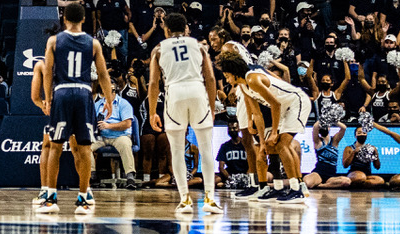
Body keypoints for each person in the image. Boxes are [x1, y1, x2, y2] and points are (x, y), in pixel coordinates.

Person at [36, 2, 113, 215]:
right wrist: (109, 99)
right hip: (83, 92)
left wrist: (48, 97)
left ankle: (50, 198)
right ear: (84, 19)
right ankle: (83, 199)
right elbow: (103, 74)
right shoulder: (94, 43)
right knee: (85, 147)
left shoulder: (54, 40)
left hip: (62, 91)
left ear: (64, 19)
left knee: (56, 146)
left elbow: (48, 71)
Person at [147, 13, 221, 215]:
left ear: (166, 30)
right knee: (206, 149)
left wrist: (153, 111)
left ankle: (185, 200)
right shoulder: (199, 46)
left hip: (175, 93)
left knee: (177, 150)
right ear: (186, 27)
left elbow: (153, 83)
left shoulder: (159, 49)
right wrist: (212, 108)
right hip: (197, 92)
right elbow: (211, 79)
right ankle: (209, 199)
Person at [216, 49, 312, 205]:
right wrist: (261, 140)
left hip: (297, 102)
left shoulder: (253, 79)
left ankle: (297, 190)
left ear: (234, 72)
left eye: (227, 76)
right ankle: (279, 188)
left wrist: (274, 132)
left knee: (282, 144)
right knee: (270, 147)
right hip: (284, 107)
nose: (226, 81)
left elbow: (275, 104)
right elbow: (258, 114)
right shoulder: (244, 86)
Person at [303, 122, 354, 189]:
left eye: (326, 126)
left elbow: (343, 128)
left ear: (329, 128)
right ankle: (325, 184)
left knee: (347, 181)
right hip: (319, 173)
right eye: (322, 126)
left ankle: (321, 185)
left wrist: (334, 120)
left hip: (331, 176)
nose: (324, 127)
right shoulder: (318, 142)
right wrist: (323, 118)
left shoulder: (334, 141)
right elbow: (315, 127)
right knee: (307, 183)